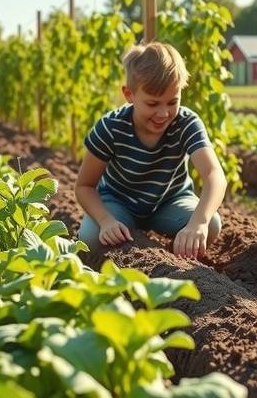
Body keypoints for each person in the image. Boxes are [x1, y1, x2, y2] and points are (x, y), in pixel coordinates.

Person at [75, 42, 227, 259]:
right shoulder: (110, 127)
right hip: (118, 202)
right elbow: (84, 186)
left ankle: (177, 256)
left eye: (172, 102)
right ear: (129, 95)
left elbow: (215, 176)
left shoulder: (186, 123)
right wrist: (106, 221)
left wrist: (198, 223)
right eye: (153, 104)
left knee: (211, 224)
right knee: (90, 238)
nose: (163, 113)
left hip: (169, 201)